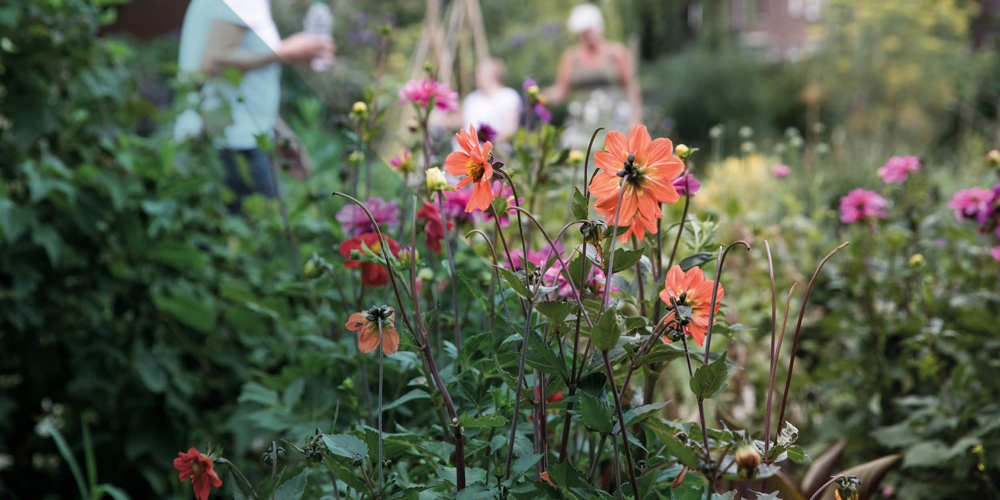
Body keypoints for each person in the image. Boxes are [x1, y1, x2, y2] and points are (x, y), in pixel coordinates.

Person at [174, 0, 333, 209]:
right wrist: (284, 53)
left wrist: (279, 133)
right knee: (265, 232)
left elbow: (238, 87)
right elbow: (213, 61)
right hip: (231, 148)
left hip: (229, 140)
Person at [544, 3, 641, 149]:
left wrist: (635, 120)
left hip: (614, 120)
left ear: (599, 27)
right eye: (583, 33)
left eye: (589, 31)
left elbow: (631, 87)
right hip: (581, 122)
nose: (587, 36)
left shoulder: (616, 53)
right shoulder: (571, 57)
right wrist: (539, 96)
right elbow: (561, 91)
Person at [461, 59, 521, 143]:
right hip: (467, 149)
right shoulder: (472, 98)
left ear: (494, 75)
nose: (476, 77)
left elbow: (510, 131)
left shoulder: (508, 96)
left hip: (495, 150)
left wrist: (487, 143)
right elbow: (462, 121)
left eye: (480, 73)